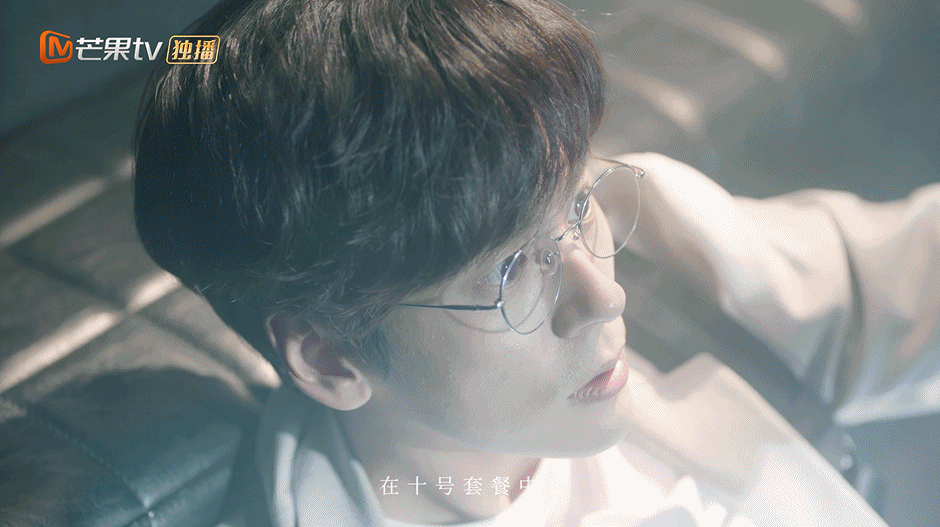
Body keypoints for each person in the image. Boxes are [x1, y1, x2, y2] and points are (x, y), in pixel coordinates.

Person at [133, 0, 940, 525]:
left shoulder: (650, 241)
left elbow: (892, 279)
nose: (603, 295)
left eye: (579, 205)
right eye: (510, 268)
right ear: (329, 357)